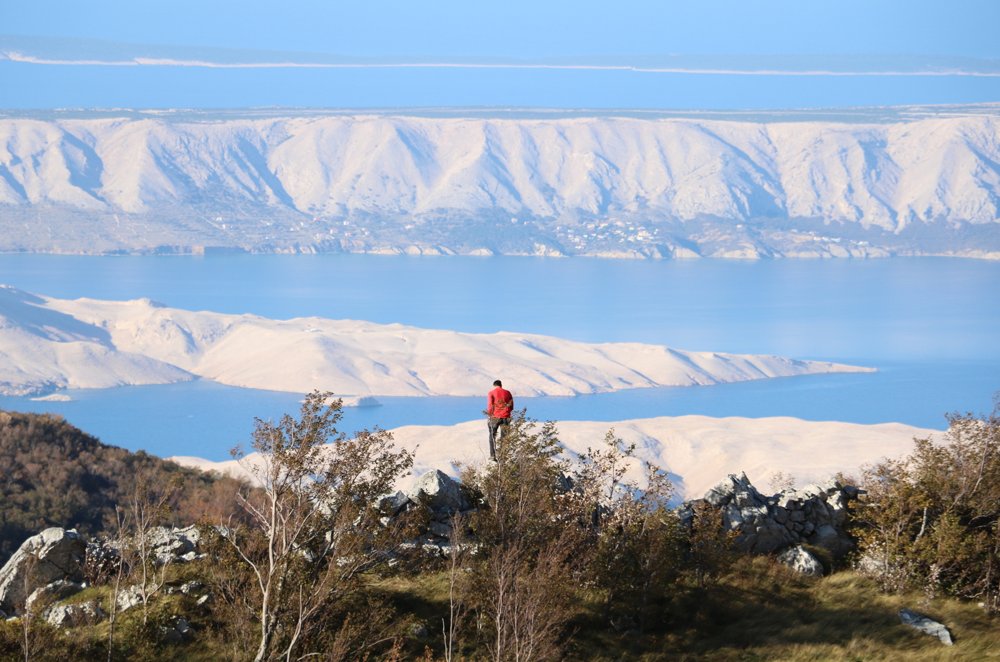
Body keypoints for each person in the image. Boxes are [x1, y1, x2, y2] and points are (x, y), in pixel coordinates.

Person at [486, 379, 514, 461]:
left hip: (495, 417)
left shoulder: (491, 393)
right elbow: (511, 406)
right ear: (501, 385)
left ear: (494, 385)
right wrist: (507, 412)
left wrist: (490, 415)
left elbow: (490, 405)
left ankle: (493, 455)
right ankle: (502, 456)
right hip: (506, 417)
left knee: (492, 435)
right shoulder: (508, 392)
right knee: (504, 438)